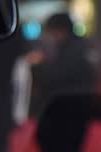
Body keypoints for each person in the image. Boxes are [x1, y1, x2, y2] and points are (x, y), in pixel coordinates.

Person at [26, 13, 95, 152]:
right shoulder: (79, 46)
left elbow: (56, 76)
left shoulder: (74, 50)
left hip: (66, 110)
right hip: (76, 108)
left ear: (61, 30)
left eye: (51, 31)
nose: (50, 36)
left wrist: (36, 65)